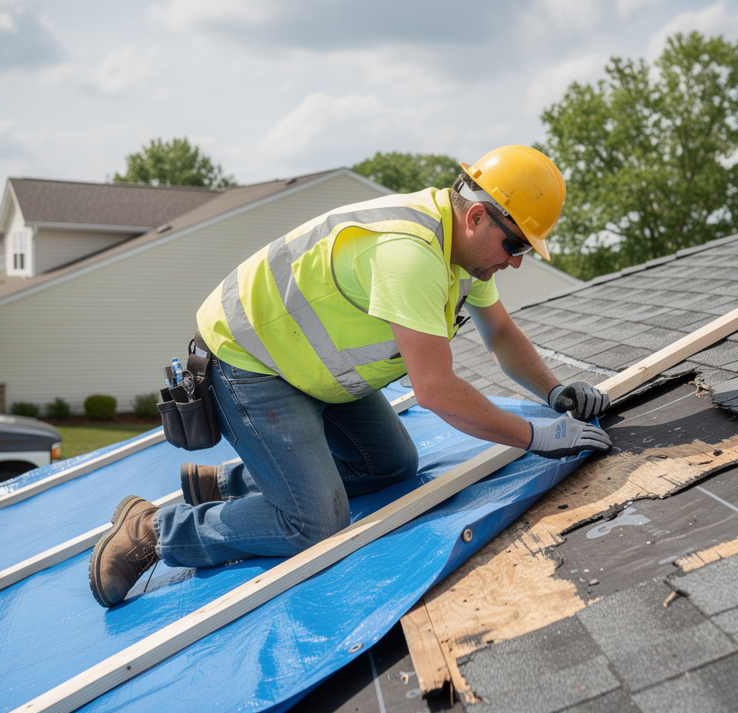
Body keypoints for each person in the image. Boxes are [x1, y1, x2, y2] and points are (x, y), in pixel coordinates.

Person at [89, 145, 612, 607]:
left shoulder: (461, 248)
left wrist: (552, 390)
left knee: (392, 465)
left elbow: (499, 334)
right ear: (477, 215)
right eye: (515, 246)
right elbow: (434, 390)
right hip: (251, 365)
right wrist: (533, 436)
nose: (516, 263)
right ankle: (154, 531)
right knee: (315, 524)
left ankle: (225, 482)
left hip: (315, 370)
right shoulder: (409, 255)